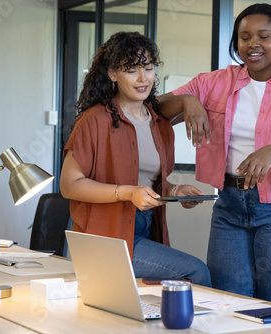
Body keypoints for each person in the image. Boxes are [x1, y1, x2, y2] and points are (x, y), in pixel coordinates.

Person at [158, 3, 271, 302]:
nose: (253, 44)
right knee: (227, 305)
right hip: (229, 207)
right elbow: (153, 110)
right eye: (245, 36)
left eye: (263, 36)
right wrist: (188, 100)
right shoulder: (213, 83)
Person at [60, 31, 211, 286]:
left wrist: (174, 190)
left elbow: (146, 182)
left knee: (144, 303)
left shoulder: (159, 122)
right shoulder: (95, 119)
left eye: (149, 68)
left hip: (145, 226)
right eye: (131, 70)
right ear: (112, 74)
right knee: (196, 272)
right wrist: (127, 193)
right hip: (105, 235)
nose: (143, 79)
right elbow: (69, 185)